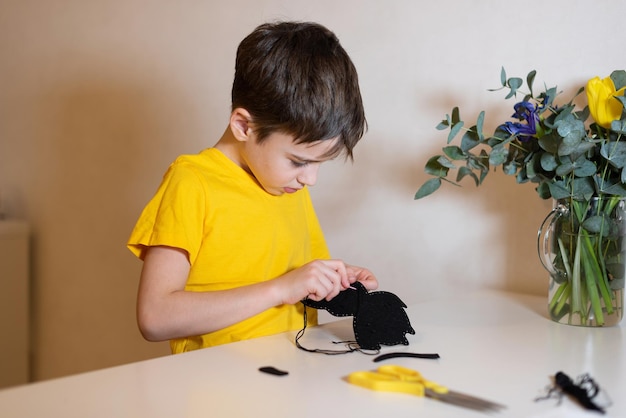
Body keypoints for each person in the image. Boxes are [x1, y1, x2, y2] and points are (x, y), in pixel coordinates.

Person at [127, 21, 378, 354]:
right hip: (215, 394)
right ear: (244, 126)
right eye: (299, 161)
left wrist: (337, 282)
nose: (310, 179)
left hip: (293, 381)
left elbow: (296, 286)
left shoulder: (288, 185)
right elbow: (154, 317)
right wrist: (279, 289)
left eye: (320, 163)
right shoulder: (192, 183)